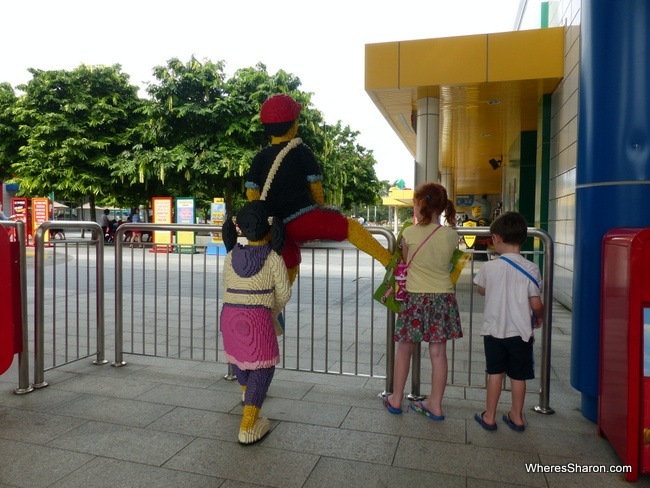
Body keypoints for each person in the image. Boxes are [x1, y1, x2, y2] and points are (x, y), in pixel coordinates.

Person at [245, 93, 391, 284]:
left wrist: (264, 218)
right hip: (301, 220)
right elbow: (316, 187)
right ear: (293, 123)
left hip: (272, 227)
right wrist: (319, 208)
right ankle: (388, 261)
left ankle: (271, 310)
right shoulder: (301, 150)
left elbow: (252, 193)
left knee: (287, 263)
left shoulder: (260, 157)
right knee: (350, 226)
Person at [383, 182, 462, 420]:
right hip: (443, 299)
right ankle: (435, 404)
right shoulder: (451, 235)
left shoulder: (409, 233)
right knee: (438, 353)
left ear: (420, 205)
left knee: (404, 349)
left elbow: (406, 262)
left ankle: (396, 398)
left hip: (415, 298)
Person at [220, 200, 292, 444]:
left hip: (229, 314)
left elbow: (224, 287)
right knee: (263, 366)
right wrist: (271, 310)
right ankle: (248, 426)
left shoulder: (230, 255)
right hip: (257, 316)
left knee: (239, 358)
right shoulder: (273, 258)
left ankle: (246, 394)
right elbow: (284, 292)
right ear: (270, 226)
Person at [472, 211, 544, 432]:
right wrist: (539, 317)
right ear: (523, 238)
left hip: (493, 332)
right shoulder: (531, 269)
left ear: (496, 238)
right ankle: (517, 416)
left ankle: (490, 416)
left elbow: (482, 291)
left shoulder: (489, 267)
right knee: (518, 376)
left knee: (495, 374)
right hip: (520, 333)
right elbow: (535, 305)